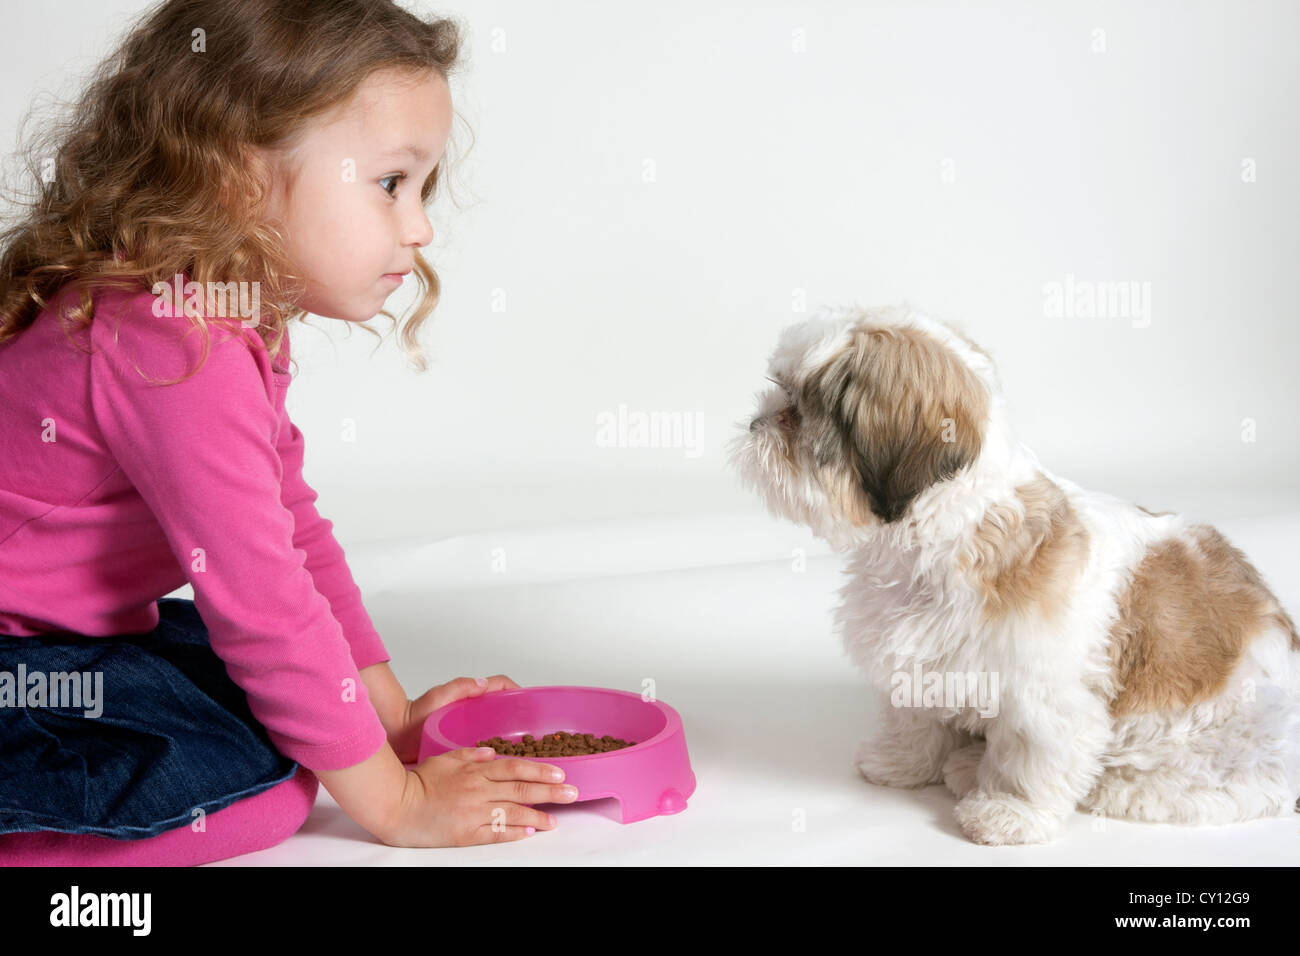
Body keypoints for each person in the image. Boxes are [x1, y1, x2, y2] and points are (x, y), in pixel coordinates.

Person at [0, 0, 577, 852]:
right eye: (390, 183)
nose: (419, 227)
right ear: (238, 176)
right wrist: (395, 803)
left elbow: (290, 539)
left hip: (67, 638)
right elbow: (262, 600)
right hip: (20, 660)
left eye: (423, 189)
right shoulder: (168, 339)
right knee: (257, 798)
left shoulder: (223, 317)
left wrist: (388, 722)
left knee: (291, 718)